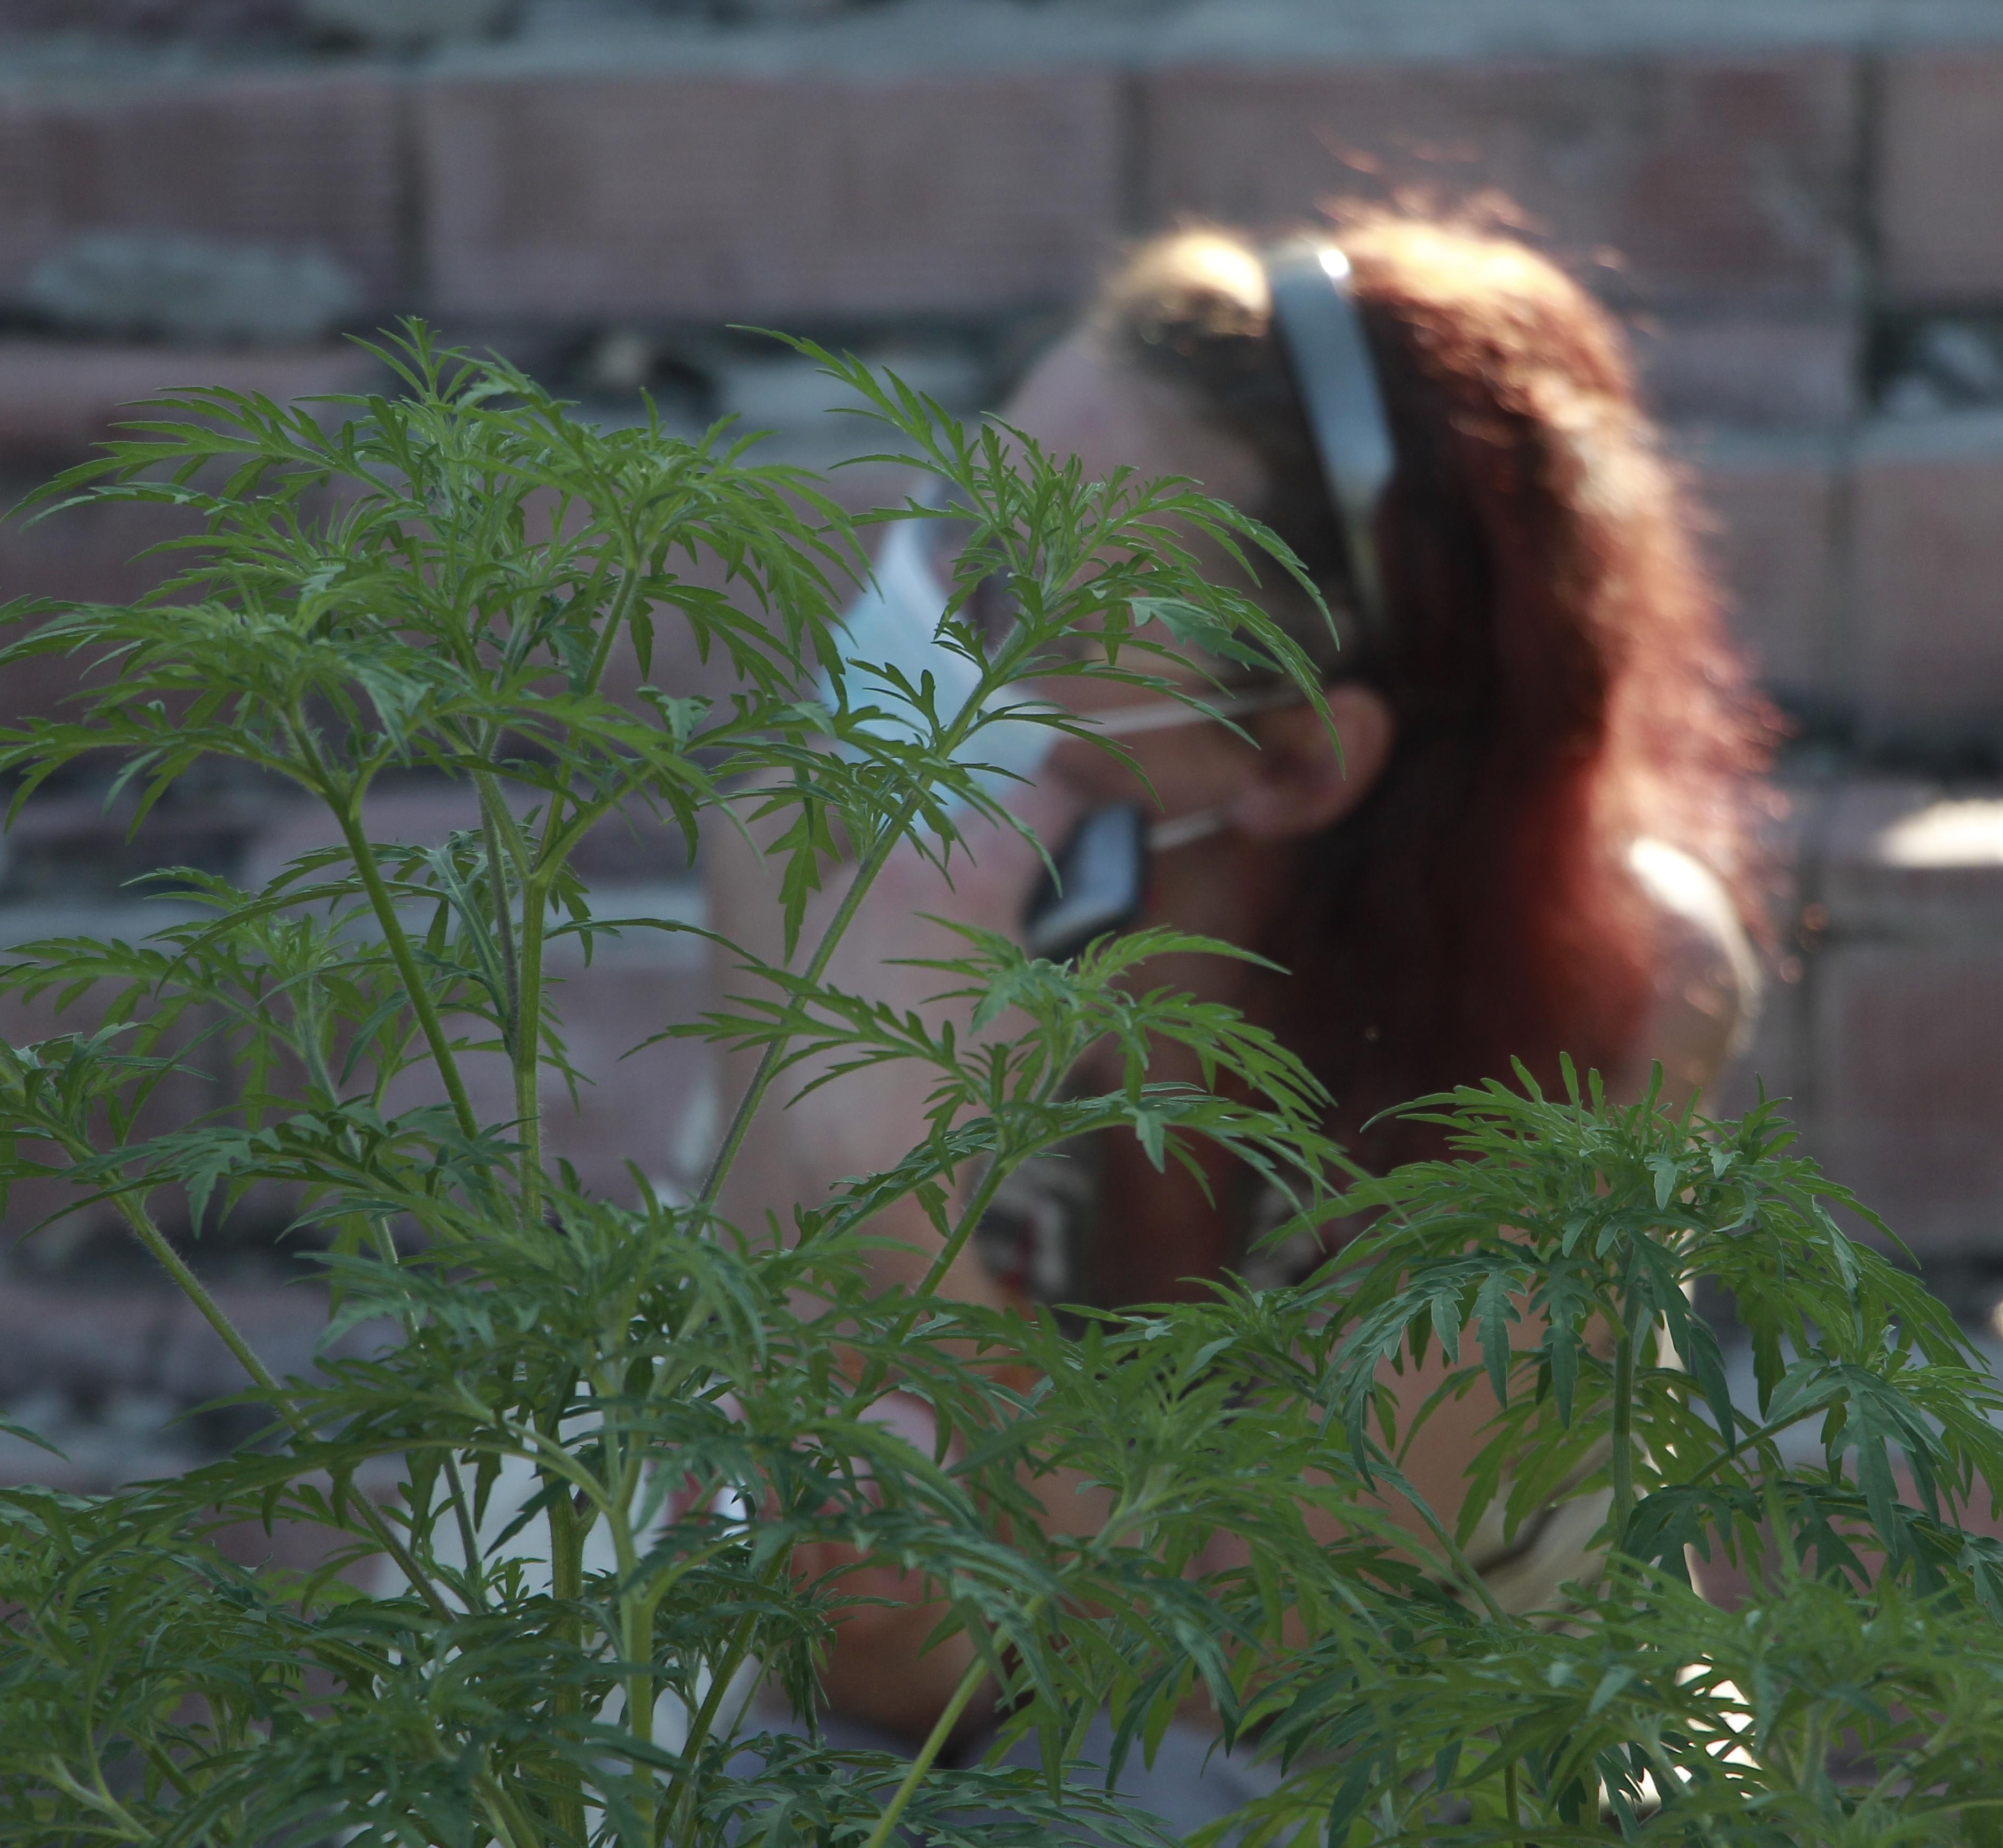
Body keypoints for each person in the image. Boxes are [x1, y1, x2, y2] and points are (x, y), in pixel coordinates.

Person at [703, 211, 1773, 1811]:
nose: (927, 635)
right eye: (960, 520)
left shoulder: (1619, 1003)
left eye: (1033, 615)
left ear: (1292, 761)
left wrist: (881, 1200)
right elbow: (866, 1655)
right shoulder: (899, 902)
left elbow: (1225, 1660)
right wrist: (790, 1049)